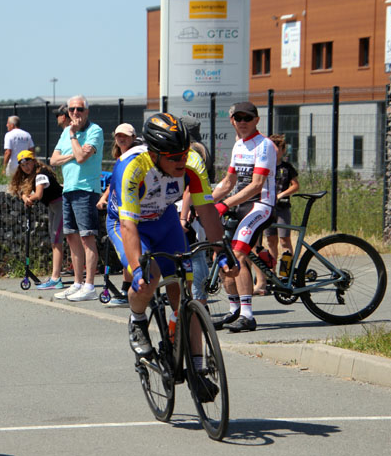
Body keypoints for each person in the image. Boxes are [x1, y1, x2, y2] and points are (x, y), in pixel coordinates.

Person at [107, 113, 228, 391]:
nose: (180, 161)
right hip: (129, 223)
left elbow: (207, 211)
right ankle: (137, 319)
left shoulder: (193, 163)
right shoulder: (131, 167)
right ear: (154, 153)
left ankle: (197, 369)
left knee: (187, 296)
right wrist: (137, 270)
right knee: (147, 279)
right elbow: (127, 225)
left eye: (183, 154)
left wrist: (222, 253)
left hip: (164, 220)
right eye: (173, 157)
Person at [211, 102, 277, 332]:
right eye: (238, 118)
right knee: (223, 254)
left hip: (261, 205)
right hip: (240, 206)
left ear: (256, 120)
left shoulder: (265, 145)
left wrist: (224, 204)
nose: (242, 122)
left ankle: (248, 315)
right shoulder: (238, 145)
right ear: (232, 121)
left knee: (238, 253)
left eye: (247, 118)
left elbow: (257, 184)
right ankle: (234, 311)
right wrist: (206, 202)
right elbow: (228, 182)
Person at [49, 95, 103, 302]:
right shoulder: (66, 132)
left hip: (86, 190)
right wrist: (72, 150)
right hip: (68, 189)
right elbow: (53, 160)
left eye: (79, 109)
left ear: (86, 111)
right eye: (71, 110)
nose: (75, 113)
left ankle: (89, 285)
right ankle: (78, 283)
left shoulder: (94, 131)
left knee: (86, 237)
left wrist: (72, 137)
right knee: (71, 237)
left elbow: (82, 157)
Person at [96, 123, 140, 307]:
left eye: (126, 136)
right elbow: (113, 183)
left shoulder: (136, 156)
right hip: (119, 211)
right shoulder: (120, 158)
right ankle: (127, 288)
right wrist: (104, 198)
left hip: (131, 213)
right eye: (118, 136)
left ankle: (135, 289)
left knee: (129, 252)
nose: (122, 139)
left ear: (133, 138)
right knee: (126, 252)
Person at [8, 150, 64, 290]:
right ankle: (55, 275)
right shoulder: (33, 175)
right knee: (54, 241)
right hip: (53, 206)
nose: (26, 167)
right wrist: (25, 197)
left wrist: (29, 198)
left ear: (34, 161)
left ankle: (56, 278)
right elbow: (23, 192)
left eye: (28, 163)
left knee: (57, 241)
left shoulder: (41, 174)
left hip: (60, 205)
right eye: (23, 165)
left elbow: (38, 195)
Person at [264, 134, 300, 264]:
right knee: (270, 240)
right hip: (268, 207)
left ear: (283, 150)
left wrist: (281, 195)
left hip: (282, 208)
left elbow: (295, 186)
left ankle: (287, 271)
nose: (275, 152)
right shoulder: (265, 167)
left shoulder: (287, 167)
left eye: (278, 148)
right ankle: (271, 271)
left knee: (284, 239)